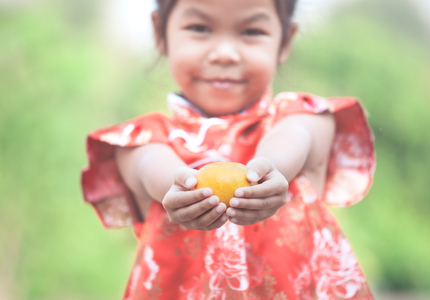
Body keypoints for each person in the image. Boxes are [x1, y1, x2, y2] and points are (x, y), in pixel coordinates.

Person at [81, 0, 376, 298]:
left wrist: (267, 169)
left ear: (285, 41)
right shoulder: (143, 141)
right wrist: (185, 187)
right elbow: (151, 166)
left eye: (251, 31)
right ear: (160, 34)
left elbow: (295, 137)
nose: (224, 54)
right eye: (199, 28)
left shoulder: (302, 117)